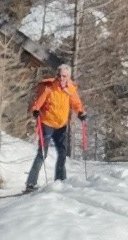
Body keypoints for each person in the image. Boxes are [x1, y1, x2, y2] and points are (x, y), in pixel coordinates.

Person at [25, 63, 85, 192]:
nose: (61, 78)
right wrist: (36, 110)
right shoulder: (50, 87)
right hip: (47, 123)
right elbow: (38, 102)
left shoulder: (71, 88)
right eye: (59, 75)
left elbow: (76, 103)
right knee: (42, 153)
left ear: (68, 76)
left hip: (61, 125)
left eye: (64, 76)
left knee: (62, 153)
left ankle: (60, 181)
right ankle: (31, 183)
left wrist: (80, 112)